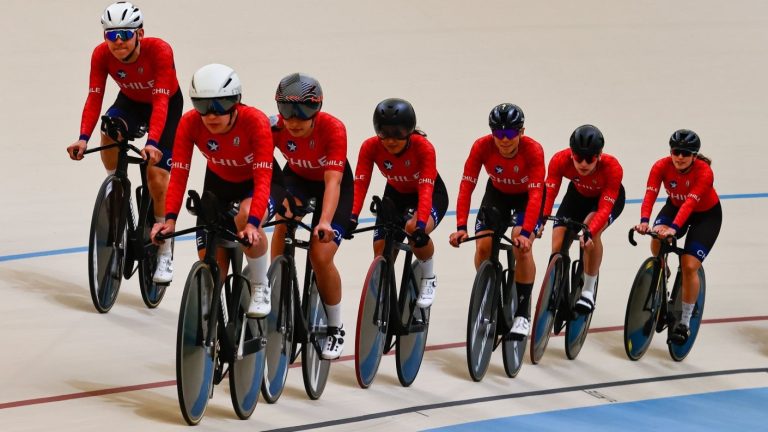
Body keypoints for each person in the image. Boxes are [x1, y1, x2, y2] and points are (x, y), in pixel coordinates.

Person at [66, 2, 182, 284]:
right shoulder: (101, 54)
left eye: (125, 35)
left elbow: (161, 101)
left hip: (164, 105)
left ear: (139, 33)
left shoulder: (160, 51)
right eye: (111, 35)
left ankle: (164, 249)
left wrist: (153, 141)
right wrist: (83, 138)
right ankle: (116, 186)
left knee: (156, 174)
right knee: (109, 127)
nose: (117, 42)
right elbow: (95, 96)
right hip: (130, 102)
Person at [150, 64, 278, 318]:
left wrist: (253, 224)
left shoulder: (255, 121)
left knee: (245, 218)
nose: (210, 114)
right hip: (218, 186)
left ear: (236, 102)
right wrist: (170, 221)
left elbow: (263, 177)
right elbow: (179, 175)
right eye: (202, 106)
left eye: (220, 105)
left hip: (256, 185)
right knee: (211, 271)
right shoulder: (189, 123)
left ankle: (260, 285)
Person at [270, 73, 353, 360]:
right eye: (286, 112)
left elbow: (332, 183)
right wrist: (278, 200)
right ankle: (276, 287)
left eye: (303, 113)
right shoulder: (274, 128)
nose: (293, 121)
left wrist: (325, 221)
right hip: (297, 178)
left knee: (320, 256)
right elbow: (263, 168)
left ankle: (335, 325)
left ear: (317, 109)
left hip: (335, 184)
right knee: (283, 221)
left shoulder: (333, 129)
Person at [448, 103, 545, 339]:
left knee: (520, 246)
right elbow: (467, 185)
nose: (504, 139)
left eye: (510, 133)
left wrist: (527, 232)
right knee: (483, 246)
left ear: (521, 132)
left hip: (526, 199)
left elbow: (535, 195)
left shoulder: (533, 150)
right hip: (497, 194)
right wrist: (461, 226)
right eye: (498, 133)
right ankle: (489, 293)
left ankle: (522, 313)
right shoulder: (482, 146)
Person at [352, 98, 449, 308]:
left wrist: (422, 225)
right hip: (395, 195)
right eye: (384, 133)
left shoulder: (424, 148)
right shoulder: (370, 147)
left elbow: (425, 188)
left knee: (413, 230)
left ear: (409, 130)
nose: (390, 140)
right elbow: (360, 183)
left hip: (429, 194)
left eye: (397, 133)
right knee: (381, 251)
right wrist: (352, 215)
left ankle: (429, 276)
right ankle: (385, 297)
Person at [634, 129, 721, 344]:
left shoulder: (704, 172)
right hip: (674, 208)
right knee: (657, 237)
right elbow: (650, 193)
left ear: (694, 155)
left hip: (705, 217)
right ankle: (662, 268)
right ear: (670, 151)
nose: (679, 157)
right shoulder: (660, 166)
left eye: (685, 153)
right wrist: (645, 220)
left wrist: (673, 228)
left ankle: (684, 321)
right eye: (676, 152)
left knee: (690, 264)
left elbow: (690, 203)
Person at [542, 124, 625, 314]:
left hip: (604, 201)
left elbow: (604, 208)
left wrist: (589, 232)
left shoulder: (612, 167)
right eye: (579, 157)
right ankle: (557, 287)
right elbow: (550, 193)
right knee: (558, 243)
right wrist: (541, 220)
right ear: (571, 153)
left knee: (591, 230)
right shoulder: (560, 160)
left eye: (590, 158)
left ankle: (588, 290)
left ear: (600, 155)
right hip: (577, 196)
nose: (584, 163)